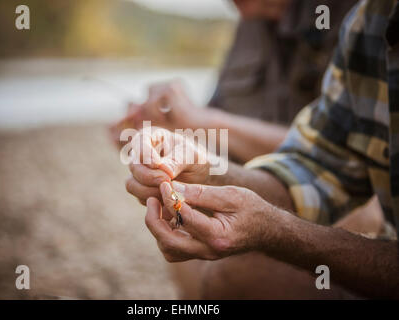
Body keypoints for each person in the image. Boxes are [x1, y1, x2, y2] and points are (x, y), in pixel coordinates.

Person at [125, 0, 399, 299]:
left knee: (234, 273)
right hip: (268, 190)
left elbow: (210, 120)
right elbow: (319, 165)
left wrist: (274, 228)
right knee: (222, 273)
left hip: (355, 214)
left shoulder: (342, 12)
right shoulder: (368, 22)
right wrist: (200, 167)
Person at [110, 0, 357, 163]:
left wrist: (204, 121)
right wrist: (163, 133)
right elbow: (214, 128)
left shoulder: (357, 15)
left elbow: (341, 159)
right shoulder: (249, 23)